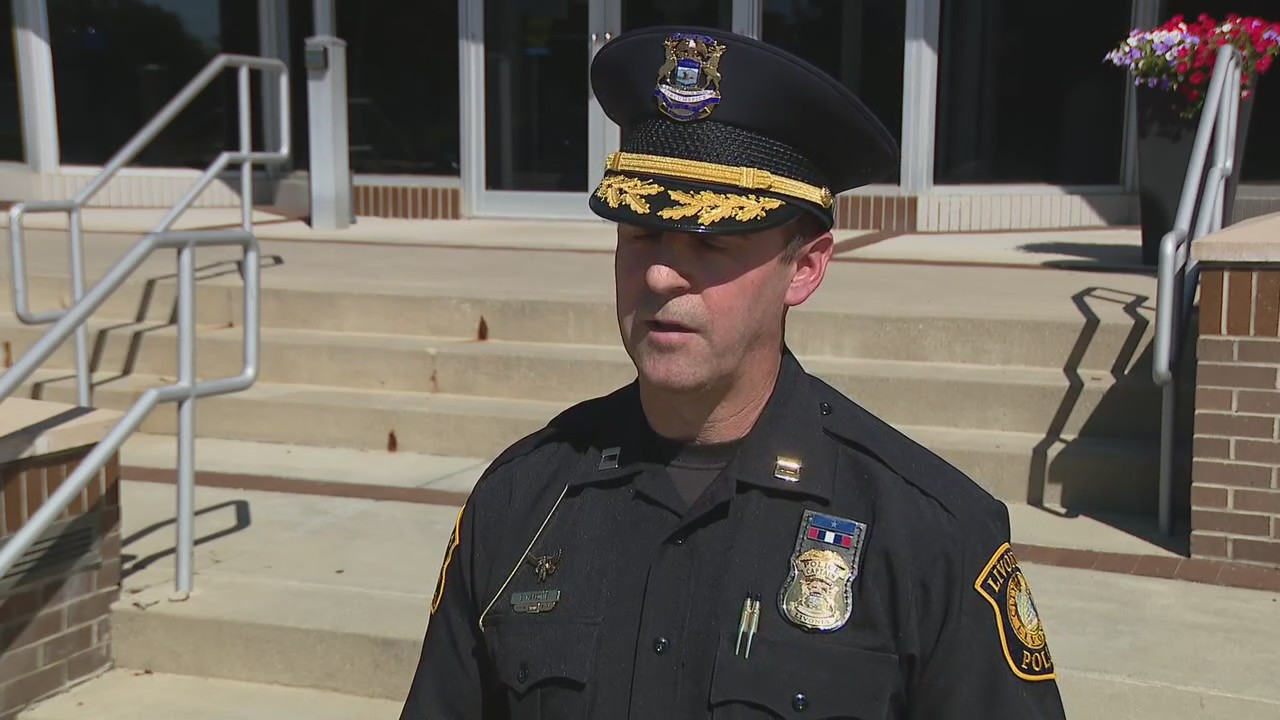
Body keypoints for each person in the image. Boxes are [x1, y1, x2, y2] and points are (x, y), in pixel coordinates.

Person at [401, 25, 1067, 720]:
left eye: (710, 240)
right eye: (642, 233)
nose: (660, 275)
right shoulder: (521, 503)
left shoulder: (928, 536)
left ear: (803, 268)